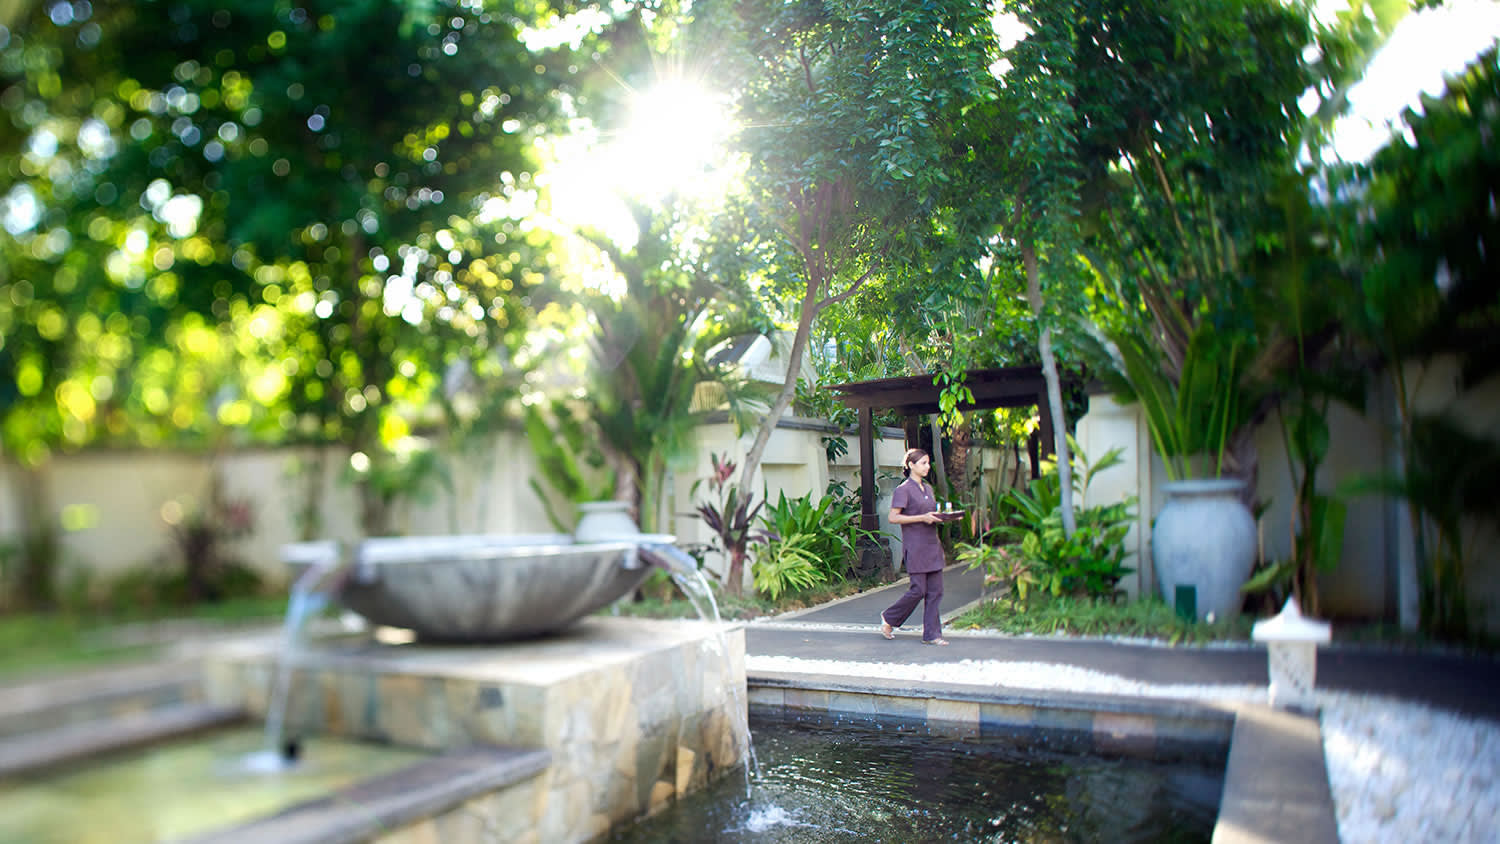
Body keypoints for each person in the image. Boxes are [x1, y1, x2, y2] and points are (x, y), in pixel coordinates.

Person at [878, 448, 950, 646]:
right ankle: (889, 617)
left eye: (928, 463)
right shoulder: (903, 490)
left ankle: (932, 634)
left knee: (936, 591)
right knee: (918, 590)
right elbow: (893, 517)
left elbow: (930, 514)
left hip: (932, 544)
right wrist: (921, 518)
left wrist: (942, 517)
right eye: (923, 463)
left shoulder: (928, 489)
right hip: (916, 546)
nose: (927, 467)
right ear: (911, 465)